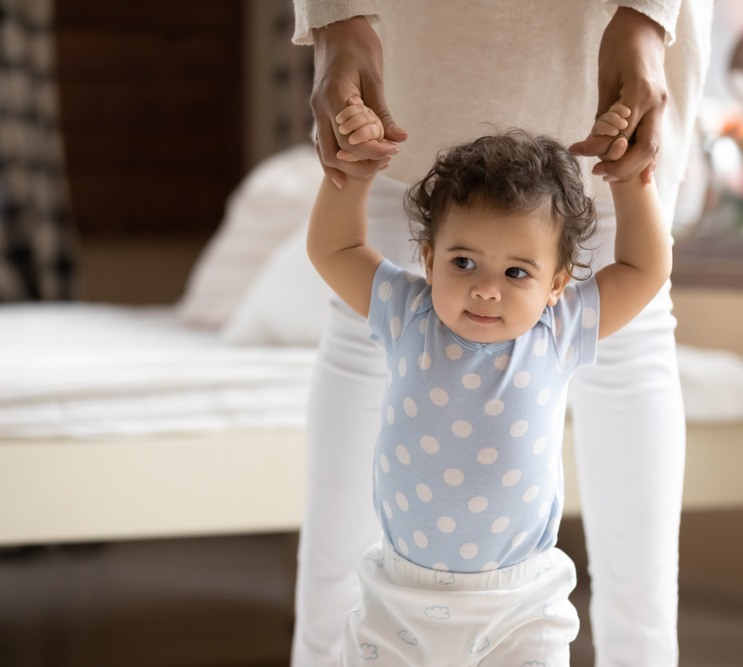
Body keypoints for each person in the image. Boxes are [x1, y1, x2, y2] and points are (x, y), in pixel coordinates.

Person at [291, 2, 712, 665]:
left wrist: (632, 184)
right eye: (463, 262)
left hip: (519, 609)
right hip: (396, 598)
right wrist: (352, 178)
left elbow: (641, 268)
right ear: (425, 258)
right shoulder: (408, 310)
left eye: (517, 270)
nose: (487, 287)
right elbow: (334, 249)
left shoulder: (560, 325)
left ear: (557, 280)